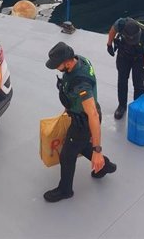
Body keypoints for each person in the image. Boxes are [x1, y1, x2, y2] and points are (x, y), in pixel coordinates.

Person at [43, 42, 116, 203]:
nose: (56, 68)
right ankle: (106, 166)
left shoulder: (81, 83)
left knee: (67, 156)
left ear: (68, 62)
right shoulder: (81, 60)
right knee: (81, 145)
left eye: (57, 65)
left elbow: (93, 115)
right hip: (78, 116)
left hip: (83, 123)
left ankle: (65, 190)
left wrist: (97, 150)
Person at [106, 18, 144, 120]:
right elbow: (112, 31)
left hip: (140, 59)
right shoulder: (121, 24)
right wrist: (109, 44)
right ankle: (122, 106)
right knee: (122, 80)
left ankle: (137, 108)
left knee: (138, 84)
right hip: (124, 54)